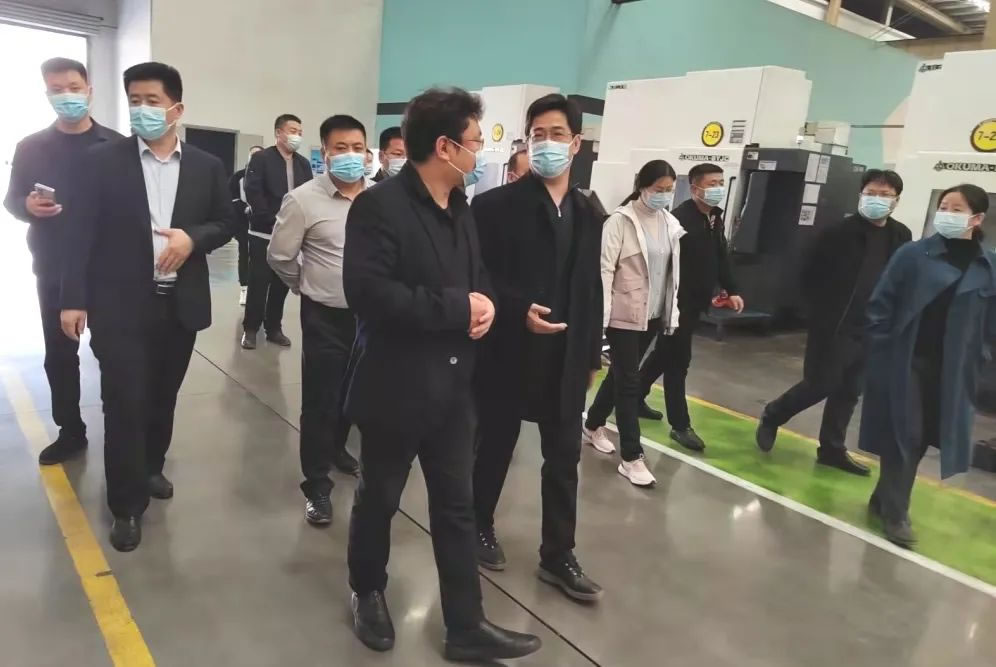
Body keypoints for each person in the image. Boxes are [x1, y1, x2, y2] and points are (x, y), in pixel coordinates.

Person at [342, 87, 540, 662]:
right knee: (380, 498)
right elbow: (369, 293)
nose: (481, 151)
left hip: (454, 389)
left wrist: (493, 307)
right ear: (446, 146)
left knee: (456, 507)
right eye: (476, 140)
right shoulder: (379, 207)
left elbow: (479, 280)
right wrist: (458, 309)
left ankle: (465, 624)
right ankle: (367, 590)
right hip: (396, 386)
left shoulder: (461, 209)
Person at [60, 62, 232, 552]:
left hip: (179, 307)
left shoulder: (205, 166)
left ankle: (151, 466)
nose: (142, 109)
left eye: (152, 101)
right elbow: (79, 233)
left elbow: (226, 222)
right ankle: (126, 505)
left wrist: (192, 239)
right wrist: (72, 299)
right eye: (134, 100)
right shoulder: (101, 161)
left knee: (162, 397)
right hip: (120, 307)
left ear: (176, 108)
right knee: (124, 403)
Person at [473, 94, 604, 602]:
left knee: (564, 457)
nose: (546, 143)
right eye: (537, 135)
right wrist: (515, 310)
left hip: (565, 357)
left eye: (557, 134)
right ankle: (478, 523)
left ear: (576, 143)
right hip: (509, 350)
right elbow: (477, 277)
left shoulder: (589, 212)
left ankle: (558, 553)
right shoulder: (494, 207)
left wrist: (591, 354)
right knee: (495, 445)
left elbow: (591, 288)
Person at [861, 184, 994, 548]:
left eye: (956, 209)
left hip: (953, 370)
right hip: (907, 360)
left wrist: (982, 359)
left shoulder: (989, 266)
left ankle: (883, 496)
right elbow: (880, 304)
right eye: (944, 206)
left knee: (922, 438)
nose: (946, 213)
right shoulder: (914, 255)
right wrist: (883, 348)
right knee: (907, 434)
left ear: (977, 218)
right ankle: (896, 513)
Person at [3, 57, 121, 465]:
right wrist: (27, 205)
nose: (67, 95)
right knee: (59, 354)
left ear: (89, 91)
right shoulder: (31, 147)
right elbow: (11, 199)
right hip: (53, 266)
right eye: (57, 90)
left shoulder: (116, 146)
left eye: (74, 87)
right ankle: (71, 431)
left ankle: (122, 434)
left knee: (114, 354)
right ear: (47, 95)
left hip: (106, 269)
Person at [756, 170, 912, 475]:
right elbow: (807, 271)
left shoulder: (901, 236)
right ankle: (774, 414)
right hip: (835, 325)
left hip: (874, 327)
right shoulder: (838, 232)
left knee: (850, 390)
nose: (877, 199)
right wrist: (815, 313)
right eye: (871, 193)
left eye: (884, 195)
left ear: (896, 200)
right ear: (860, 195)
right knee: (820, 383)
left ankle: (831, 449)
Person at [267, 115, 366, 526]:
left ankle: (339, 449)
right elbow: (280, 256)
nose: (350, 155)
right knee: (321, 401)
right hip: (325, 316)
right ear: (324, 153)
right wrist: (306, 286)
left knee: (356, 395)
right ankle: (317, 486)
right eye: (340, 148)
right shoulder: (303, 200)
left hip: (372, 318)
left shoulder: (380, 199)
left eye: (357, 148)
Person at [583, 160, 684, 488]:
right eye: (658, 189)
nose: (664, 195)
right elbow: (604, 270)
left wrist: (670, 312)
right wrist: (601, 319)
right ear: (642, 186)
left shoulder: (669, 223)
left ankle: (592, 424)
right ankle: (632, 456)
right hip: (623, 315)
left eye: (669, 190)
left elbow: (670, 275)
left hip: (651, 316)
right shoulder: (620, 221)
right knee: (629, 382)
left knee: (621, 374)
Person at [635, 162, 744, 452]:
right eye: (711, 184)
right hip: (675, 304)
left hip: (694, 303)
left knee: (663, 355)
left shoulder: (713, 218)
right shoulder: (680, 221)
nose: (718, 188)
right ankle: (680, 425)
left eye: (721, 183)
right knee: (678, 362)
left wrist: (731, 289)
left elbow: (720, 255)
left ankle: (634, 397)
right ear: (695, 188)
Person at [241, 113, 312, 349]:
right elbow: (253, 191)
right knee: (259, 281)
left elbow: (309, 195)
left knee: (282, 283)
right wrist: (272, 220)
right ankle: (251, 329)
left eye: (300, 132)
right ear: (278, 133)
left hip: (291, 235)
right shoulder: (261, 159)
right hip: (264, 232)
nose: (297, 136)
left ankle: (274, 328)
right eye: (292, 131)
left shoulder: (303, 164)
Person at [228, 144, 263, 306]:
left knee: (261, 257)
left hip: (263, 224)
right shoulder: (238, 176)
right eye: (253, 154)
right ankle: (244, 288)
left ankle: (259, 289)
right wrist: (245, 208)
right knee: (244, 253)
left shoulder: (268, 176)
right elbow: (232, 198)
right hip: (243, 224)